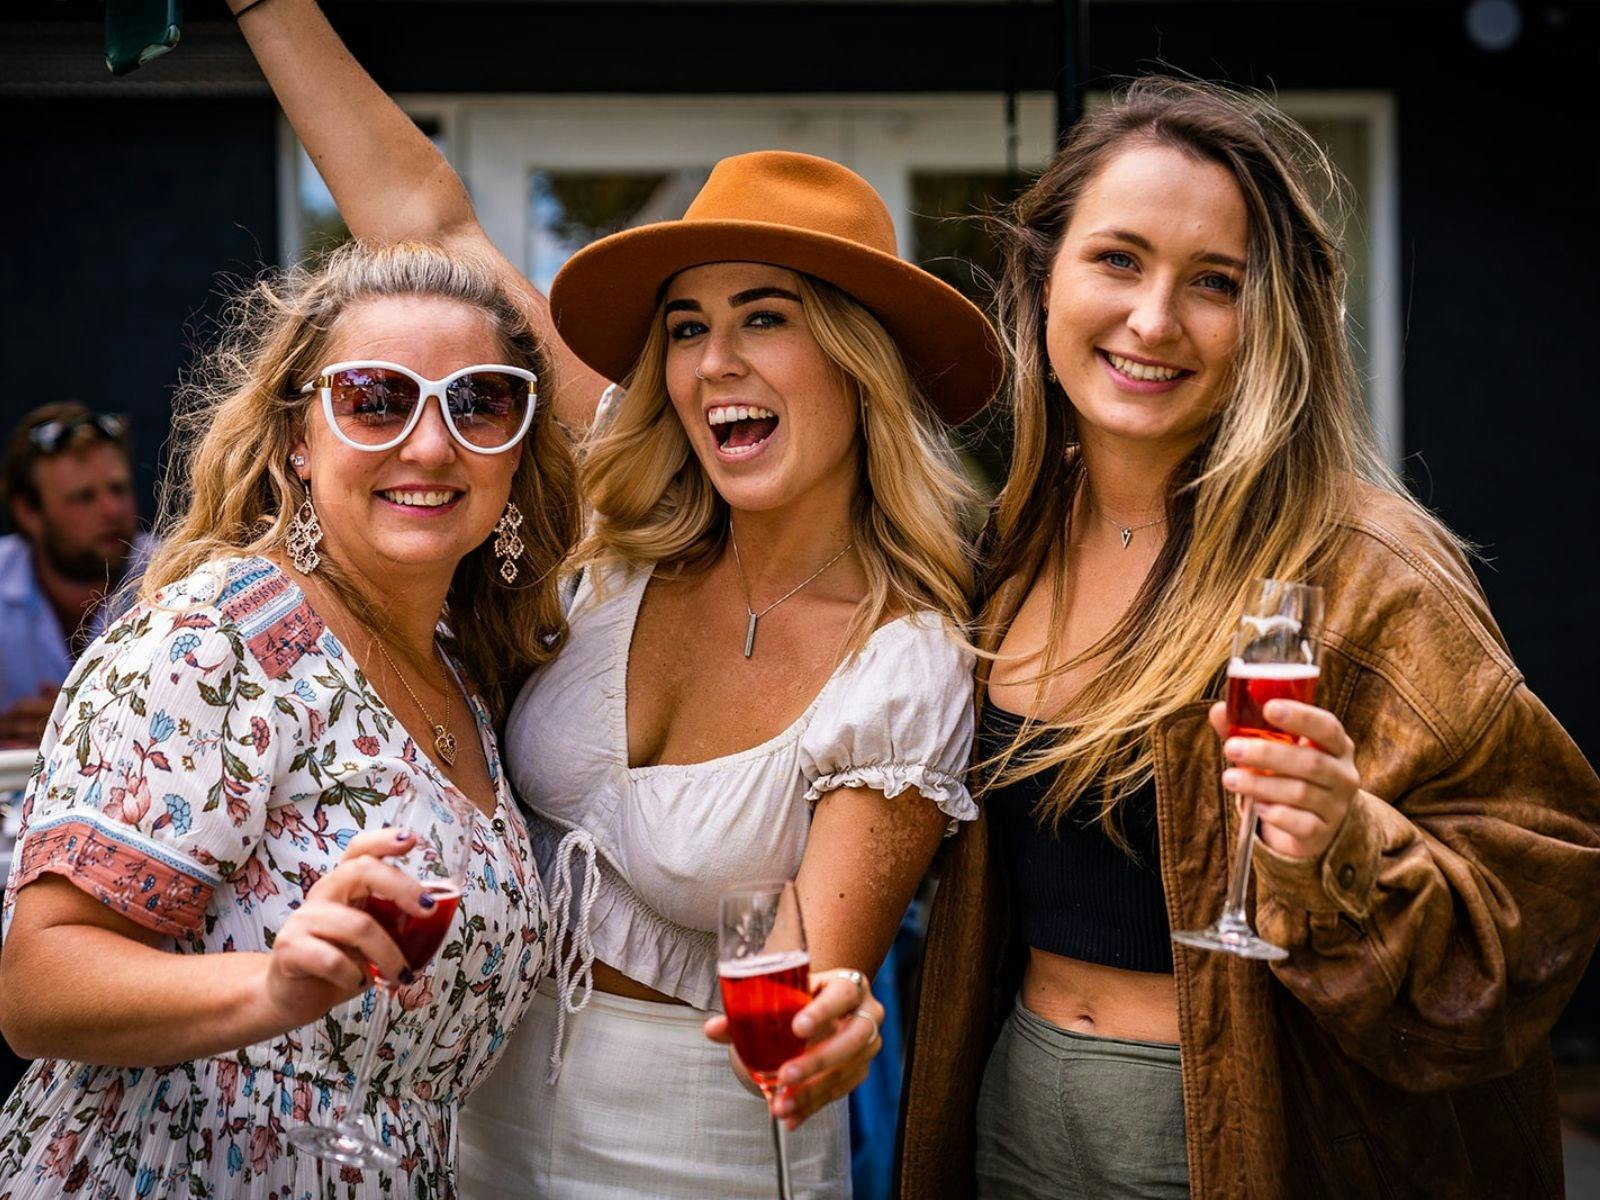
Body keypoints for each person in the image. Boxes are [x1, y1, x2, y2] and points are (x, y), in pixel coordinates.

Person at [228, 5, 1003, 1195]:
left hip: (701, 1149)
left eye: (764, 318)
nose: (710, 363)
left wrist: (834, 1031)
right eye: (687, 325)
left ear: (861, 363)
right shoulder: (621, 536)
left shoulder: (902, 665)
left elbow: (799, 997)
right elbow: (429, 222)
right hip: (477, 1118)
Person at [898, 77, 1600, 1199]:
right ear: (1041, 278)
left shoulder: (1366, 566)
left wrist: (1346, 838)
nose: (1154, 320)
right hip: (1010, 1107)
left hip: (1246, 1130)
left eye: (1213, 283)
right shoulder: (1003, 544)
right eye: (1117, 259)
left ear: (1268, 318)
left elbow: (1543, 905)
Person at [0, 240, 578, 1196]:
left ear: (516, 448)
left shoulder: (463, 677)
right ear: (299, 438)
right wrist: (270, 989)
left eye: (479, 401)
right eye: (375, 398)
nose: (431, 444)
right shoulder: (218, 637)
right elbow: (38, 984)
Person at [0, 405, 154, 748]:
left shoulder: (187, 576)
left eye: (118, 489)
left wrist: (75, 726)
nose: (112, 510)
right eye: (83, 497)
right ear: (28, 513)